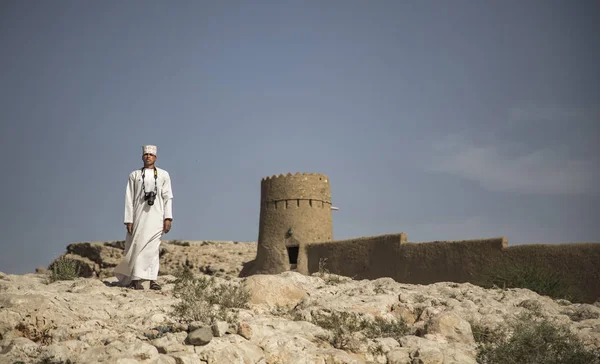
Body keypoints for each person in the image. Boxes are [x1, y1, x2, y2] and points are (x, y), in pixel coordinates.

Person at [113, 145, 173, 290]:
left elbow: (168, 197)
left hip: (157, 216)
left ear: (155, 158)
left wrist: (168, 218)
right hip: (139, 216)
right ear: (142, 157)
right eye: (146, 154)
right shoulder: (134, 175)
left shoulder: (164, 175)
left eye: (151, 155)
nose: (148, 156)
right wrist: (129, 219)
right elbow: (129, 197)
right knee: (136, 247)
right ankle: (134, 279)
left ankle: (153, 280)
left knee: (153, 248)